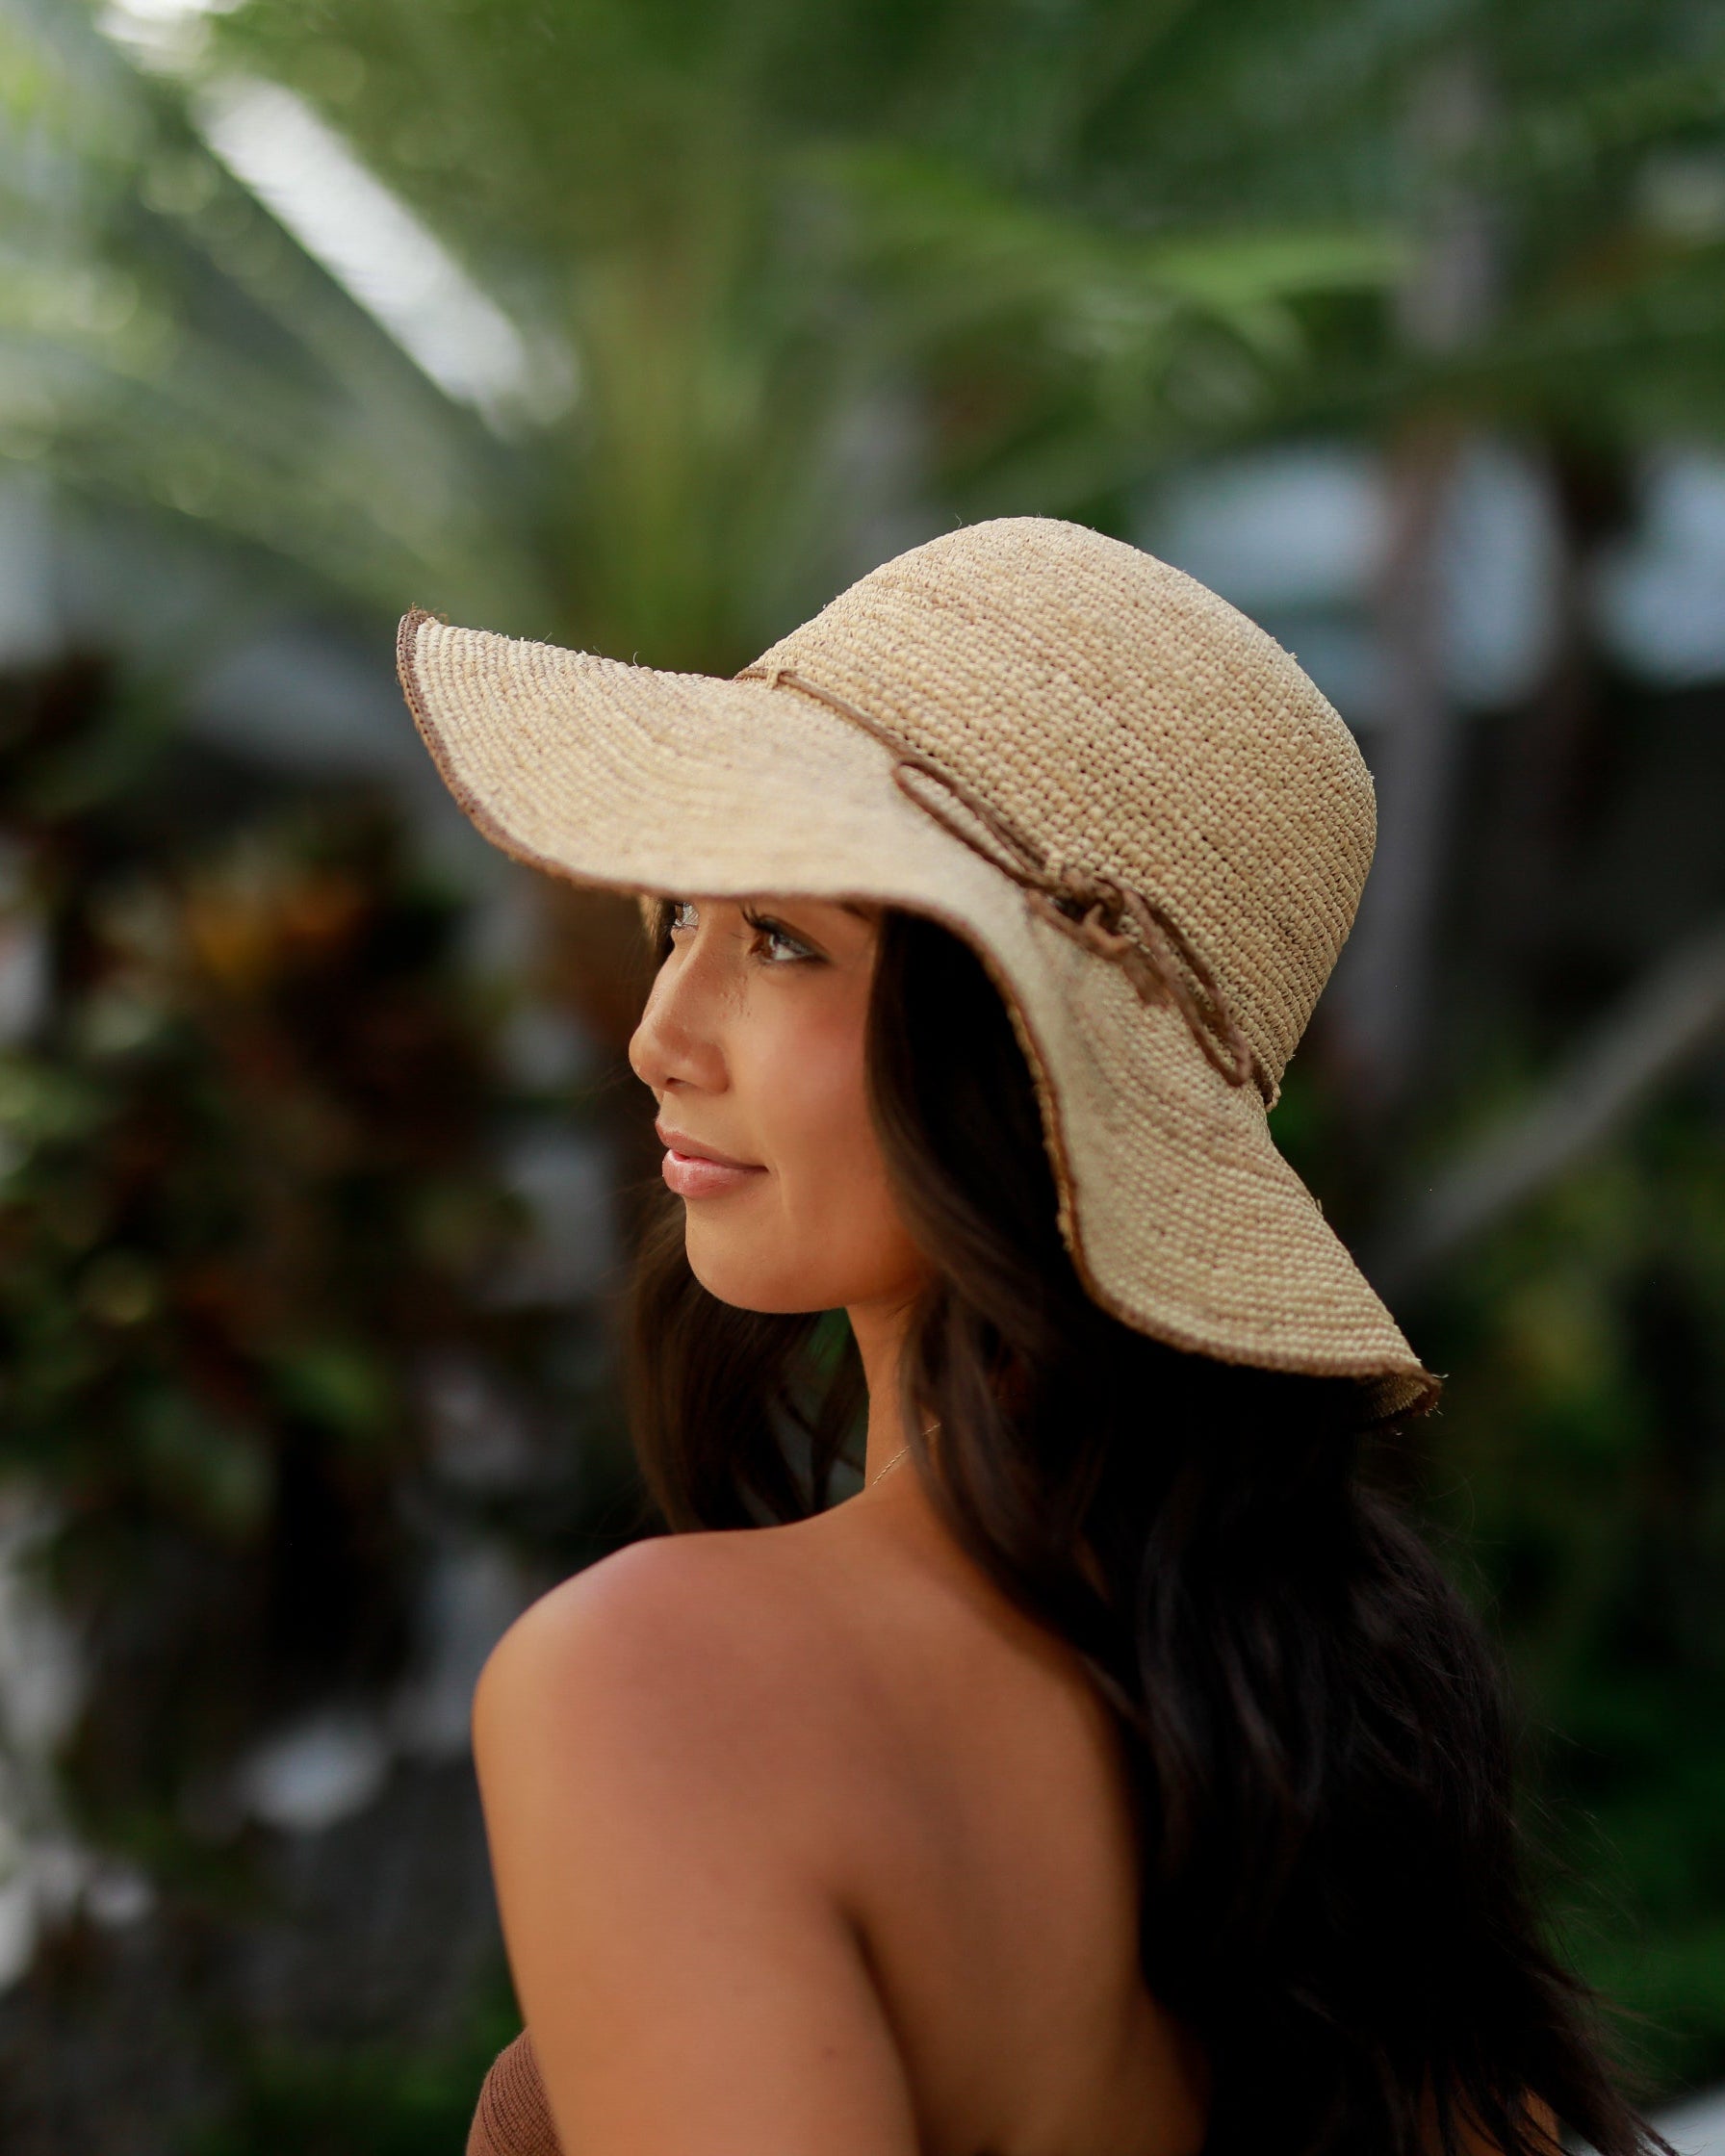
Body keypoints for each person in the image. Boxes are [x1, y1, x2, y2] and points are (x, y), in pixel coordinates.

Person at [396, 519, 1661, 2156]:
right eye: (682, 916)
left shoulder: (662, 1683)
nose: (659, 1033)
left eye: (781, 940)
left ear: (1013, 1055)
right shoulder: (1332, 1722)